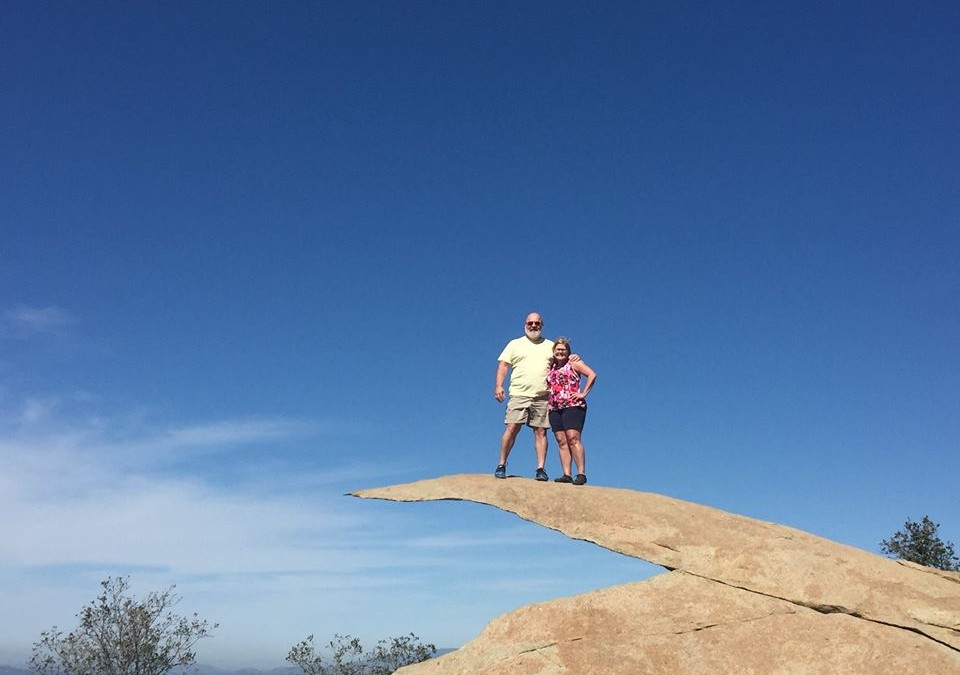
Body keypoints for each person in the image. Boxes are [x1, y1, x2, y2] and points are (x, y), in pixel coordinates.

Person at [493, 312, 554, 480]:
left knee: (541, 431)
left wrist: (574, 357)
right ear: (525, 324)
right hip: (519, 393)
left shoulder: (551, 345)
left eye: (537, 323)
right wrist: (499, 386)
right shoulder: (515, 344)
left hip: (542, 396)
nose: (533, 326)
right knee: (512, 428)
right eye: (530, 323)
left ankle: (541, 469)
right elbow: (503, 365)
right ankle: (501, 463)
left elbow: (563, 360)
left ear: (542, 325)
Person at [547, 337, 596, 485]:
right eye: (558, 349)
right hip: (555, 407)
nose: (560, 352)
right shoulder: (552, 367)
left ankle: (581, 473)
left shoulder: (574, 363)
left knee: (573, 437)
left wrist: (583, 393)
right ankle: (566, 474)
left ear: (568, 351)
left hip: (573, 405)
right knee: (561, 440)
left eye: (563, 349)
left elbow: (592, 374)